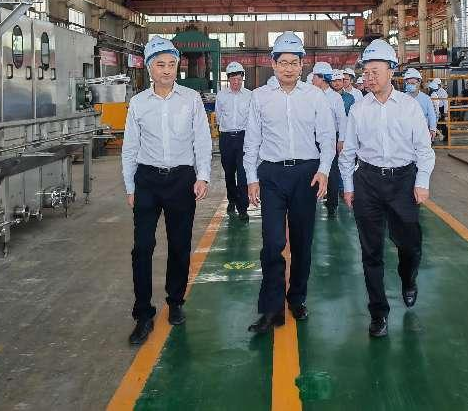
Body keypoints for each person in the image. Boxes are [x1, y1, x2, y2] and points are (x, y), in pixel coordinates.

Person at [338, 39, 435, 338]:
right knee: (371, 251)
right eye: (365, 72)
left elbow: (425, 150)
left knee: (409, 244)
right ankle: (378, 313)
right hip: (368, 181)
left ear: (391, 71)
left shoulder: (409, 107)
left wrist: (422, 182)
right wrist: (348, 186)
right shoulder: (358, 109)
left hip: (403, 181)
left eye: (375, 72)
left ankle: (408, 278)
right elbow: (348, 152)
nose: (369, 77)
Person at [122, 36, 212, 345]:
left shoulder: (191, 99)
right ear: (149, 68)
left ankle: (175, 302)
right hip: (147, 180)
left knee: (179, 244)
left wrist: (203, 176)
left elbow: (202, 139)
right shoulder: (138, 103)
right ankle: (143, 314)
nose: (167, 70)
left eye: (172, 64)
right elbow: (129, 148)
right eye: (160, 65)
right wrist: (130, 186)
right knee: (142, 247)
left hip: (181, 180)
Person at [243, 32, 335, 333]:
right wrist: (252, 178)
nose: (288, 68)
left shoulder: (315, 97)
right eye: (283, 62)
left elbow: (327, 137)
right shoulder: (259, 97)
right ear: (273, 64)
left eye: (294, 63)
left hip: (306, 175)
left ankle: (297, 298)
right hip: (271, 175)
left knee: (302, 241)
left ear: (302, 65)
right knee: (272, 243)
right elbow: (252, 141)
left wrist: (323, 170)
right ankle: (271, 309)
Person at [216, 61, 252, 220]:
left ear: (242, 78)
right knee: (229, 173)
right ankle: (232, 199)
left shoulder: (250, 95)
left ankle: (243, 207)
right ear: (228, 79)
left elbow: (253, 119)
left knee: (243, 174)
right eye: (233, 79)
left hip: (244, 138)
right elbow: (218, 116)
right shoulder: (221, 95)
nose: (236, 82)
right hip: (226, 139)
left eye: (239, 79)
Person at [311, 62, 347, 217]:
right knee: (312, 169)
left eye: (314, 76)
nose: (312, 79)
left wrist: (341, 140)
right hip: (312, 138)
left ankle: (332, 204)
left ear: (322, 78)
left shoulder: (335, 98)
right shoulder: (311, 95)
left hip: (332, 138)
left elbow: (342, 120)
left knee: (332, 171)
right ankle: (311, 201)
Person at [403, 68, 438, 139]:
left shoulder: (426, 99)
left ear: (419, 82)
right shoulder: (402, 98)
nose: (410, 85)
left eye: (413, 83)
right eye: (408, 83)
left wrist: (432, 129)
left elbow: (431, 115)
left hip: (422, 133)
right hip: (405, 134)